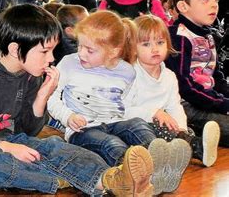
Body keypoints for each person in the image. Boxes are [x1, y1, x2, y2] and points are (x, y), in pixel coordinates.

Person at [0, 4, 155, 196]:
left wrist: (42, 96)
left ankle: (110, 180)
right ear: (14, 49)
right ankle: (59, 178)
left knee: (55, 146)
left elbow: (26, 131)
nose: (51, 58)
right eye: (45, 51)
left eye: (52, 51)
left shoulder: (30, 72)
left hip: (11, 139)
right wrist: (4, 146)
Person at [47, 10, 191, 195]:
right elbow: (52, 97)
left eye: (90, 50)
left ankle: (160, 166)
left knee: (137, 125)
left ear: (113, 51)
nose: (81, 53)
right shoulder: (68, 63)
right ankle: (134, 176)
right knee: (111, 144)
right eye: (79, 45)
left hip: (116, 122)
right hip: (83, 129)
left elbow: (126, 106)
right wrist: (68, 117)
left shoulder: (126, 71)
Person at [126, 15, 220, 168]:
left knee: (184, 129)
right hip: (137, 127)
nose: (155, 49)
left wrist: (180, 128)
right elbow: (122, 111)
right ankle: (192, 148)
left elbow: (175, 106)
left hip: (163, 125)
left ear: (168, 44)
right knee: (158, 130)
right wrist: (154, 113)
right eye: (146, 44)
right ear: (133, 49)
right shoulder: (129, 75)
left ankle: (190, 147)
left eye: (160, 42)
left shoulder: (169, 76)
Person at [165, 0, 229, 147]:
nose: (214, 5)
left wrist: (226, 100)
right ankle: (189, 132)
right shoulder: (178, 37)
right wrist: (223, 105)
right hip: (187, 104)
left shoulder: (208, 36)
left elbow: (217, 77)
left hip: (208, 101)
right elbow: (185, 86)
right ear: (183, 6)